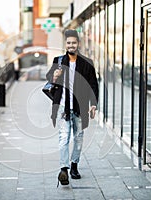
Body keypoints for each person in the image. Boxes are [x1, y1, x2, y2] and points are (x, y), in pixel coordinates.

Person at [46, 29, 99, 186]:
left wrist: (93, 104)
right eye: (68, 43)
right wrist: (54, 76)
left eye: (73, 43)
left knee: (78, 138)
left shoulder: (87, 63)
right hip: (62, 106)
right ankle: (64, 168)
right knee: (64, 138)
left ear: (78, 44)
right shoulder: (59, 60)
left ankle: (74, 166)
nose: (71, 45)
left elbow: (93, 85)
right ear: (65, 44)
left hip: (80, 106)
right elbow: (49, 78)